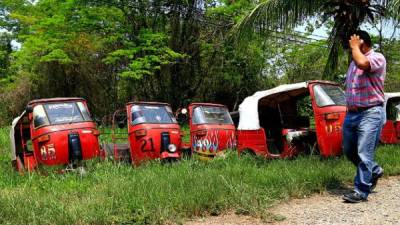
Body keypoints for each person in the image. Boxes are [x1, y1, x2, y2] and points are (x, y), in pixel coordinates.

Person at [342, 30, 386, 203]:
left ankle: (361, 191)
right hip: (352, 113)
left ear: (362, 43)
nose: (349, 48)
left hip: (370, 112)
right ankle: (374, 171)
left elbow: (362, 63)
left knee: (364, 152)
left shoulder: (377, 58)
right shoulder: (353, 62)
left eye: (352, 44)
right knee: (349, 150)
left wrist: (355, 47)